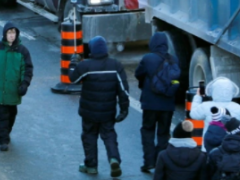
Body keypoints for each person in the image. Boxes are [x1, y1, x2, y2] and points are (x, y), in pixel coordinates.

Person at [70, 36, 129, 177]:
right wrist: (124, 109)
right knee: (109, 135)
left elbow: (73, 79)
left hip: (88, 112)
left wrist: (73, 63)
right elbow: (123, 89)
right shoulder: (115, 66)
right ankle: (114, 159)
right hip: (107, 112)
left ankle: (91, 166)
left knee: (89, 136)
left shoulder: (86, 66)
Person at [0, 21, 33, 151]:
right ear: (5, 34)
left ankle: (6, 133)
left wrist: (24, 84)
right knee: (0, 117)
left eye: (14, 33)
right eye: (9, 33)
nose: (12, 35)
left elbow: (27, 70)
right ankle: (2, 140)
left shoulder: (22, 51)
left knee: (11, 115)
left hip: (13, 91)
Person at [135, 32, 180, 173]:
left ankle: (149, 162)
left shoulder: (148, 58)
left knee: (148, 130)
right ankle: (161, 164)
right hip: (167, 104)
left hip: (150, 103)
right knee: (163, 133)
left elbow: (138, 74)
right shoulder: (173, 59)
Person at [190, 77, 240, 152]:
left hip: (210, 148)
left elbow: (193, 114)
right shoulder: (237, 107)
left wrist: (198, 96)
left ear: (213, 91)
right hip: (231, 148)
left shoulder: (206, 106)